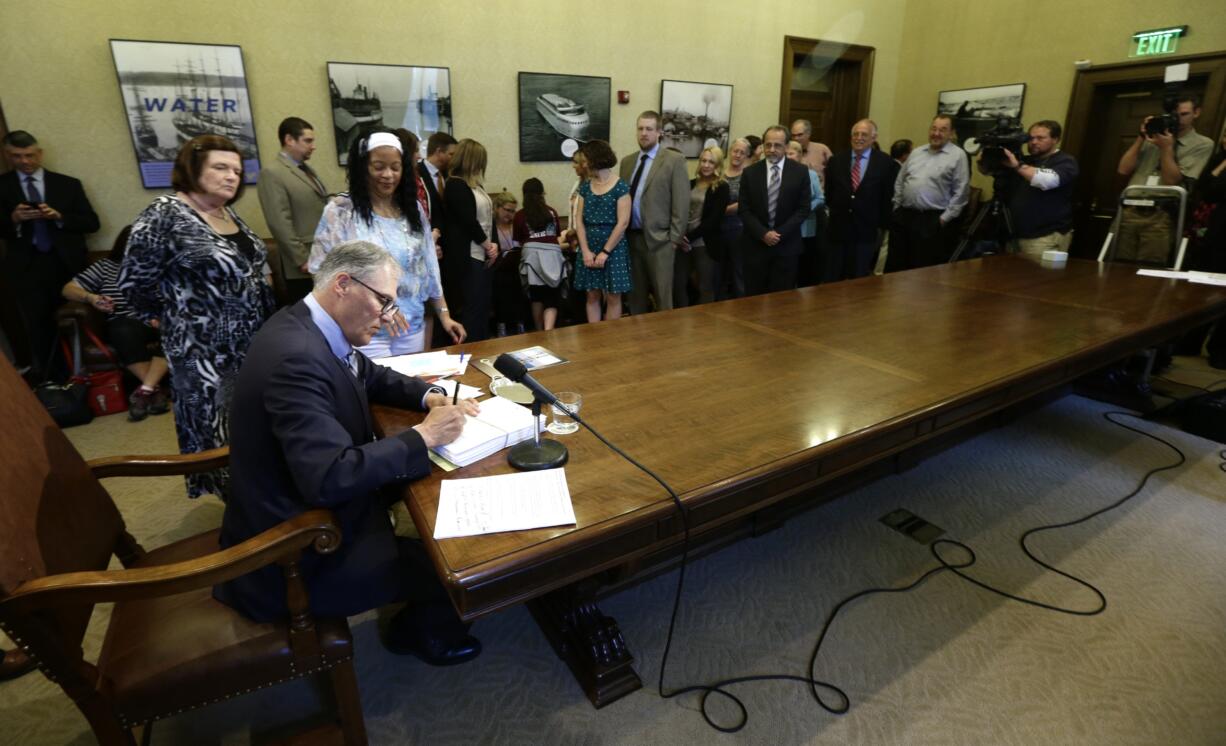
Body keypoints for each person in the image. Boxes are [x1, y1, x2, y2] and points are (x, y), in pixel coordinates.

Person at [215, 239, 482, 666]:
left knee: (431, 497)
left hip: (294, 500)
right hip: (294, 547)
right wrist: (424, 438)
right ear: (343, 283)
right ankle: (420, 635)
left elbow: (369, 374)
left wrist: (429, 395)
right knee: (450, 565)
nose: (388, 316)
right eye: (384, 301)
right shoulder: (296, 359)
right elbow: (329, 477)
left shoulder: (304, 323)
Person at [119, 135, 276, 500]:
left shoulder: (226, 212)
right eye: (220, 167)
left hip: (251, 344)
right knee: (217, 429)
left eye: (236, 170)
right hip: (203, 352)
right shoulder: (164, 214)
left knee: (254, 423)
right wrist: (173, 317)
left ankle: (260, 497)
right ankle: (240, 511)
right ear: (192, 168)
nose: (231, 176)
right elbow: (132, 283)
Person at [309, 130, 463, 357]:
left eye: (395, 167)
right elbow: (320, 272)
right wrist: (379, 306)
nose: (388, 174)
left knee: (409, 388)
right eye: (378, 166)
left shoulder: (413, 210)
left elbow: (429, 267)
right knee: (370, 391)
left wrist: (444, 315)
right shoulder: (341, 209)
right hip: (362, 330)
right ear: (363, 168)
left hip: (411, 326)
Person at [0, 130, 99, 380]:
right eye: (17, 156)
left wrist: (59, 217)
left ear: (39, 153)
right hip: (26, 267)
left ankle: (87, 378)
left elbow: (91, 222)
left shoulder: (67, 184)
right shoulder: (2, 187)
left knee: (77, 319)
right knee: (37, 326)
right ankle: (54, 381)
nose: (25, 161)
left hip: (66, 263)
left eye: (29, 155)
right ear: (7, 156)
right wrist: (14, 220)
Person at [61, 226, 170, 420]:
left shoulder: (161, 267)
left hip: (160, 319)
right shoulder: (106, 266)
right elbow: (68, 289)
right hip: (126, 320)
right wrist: (91, 298)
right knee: (123, 329)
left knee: (177, 331)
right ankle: (153, 389)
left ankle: (145, 390)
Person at [1115, 95, 1214, 265]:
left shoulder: (1202, 144)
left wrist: (1166, 148)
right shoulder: (1153, 136)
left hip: (1162, 213)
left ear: (1196, 113)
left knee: (1150, 269)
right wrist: (1141, 136)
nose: (1177, 119)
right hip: (1131, 207)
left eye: (1183, 114)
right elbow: (1123, 169)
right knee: (1117, 266)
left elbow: (1171, 181)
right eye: (1174, 114)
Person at [618, 111, 689, 314]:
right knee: (635, 298)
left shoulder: (674, 160)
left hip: (661, 241)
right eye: (640, 129)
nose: (644, 133)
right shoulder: (627, 162)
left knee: (663, 298)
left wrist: (674, 239)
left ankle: (667, 342)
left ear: (659, 132)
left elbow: (681, 203)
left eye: (649, 129)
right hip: (631, 239)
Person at [979, 120, 1079, 257]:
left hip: (1043, 237)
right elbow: (987, 171)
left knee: (1039, 278)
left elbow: (1049, 180)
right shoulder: (1023, 160)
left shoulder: (1065, 161)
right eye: (1031, 138)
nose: (1034, 142)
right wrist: (985, 158)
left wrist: (1018, 166)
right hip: (1012, 235)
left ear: (1055, 139)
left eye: (1040, 138)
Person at [256, 116, 329, 303]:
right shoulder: (272, 173)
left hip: (322, 257)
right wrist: (302, 259)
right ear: (289, 140)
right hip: (302, 265)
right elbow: (279, 221)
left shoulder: (306, 170)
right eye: (308, 141)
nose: (313, 146)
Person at [887, 115, 970, 271]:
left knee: (922, 271)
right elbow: (900, 180)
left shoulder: (958, 156)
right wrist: (896, 207)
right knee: (896, 267)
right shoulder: (917, 152)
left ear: (951, 133)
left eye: (943, 130)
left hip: (931, 220)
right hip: (904, 216)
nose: (936, 133)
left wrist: (944, 219)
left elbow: (962, 192)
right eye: (934, 128)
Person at [738, 126, 812, 295]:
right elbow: (744, 209)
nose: (771, 150)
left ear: (786, 146)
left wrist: (778, 233)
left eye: (777, 145)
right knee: (753, 299)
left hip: (787, 247)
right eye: (768, 145)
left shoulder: (800, 172)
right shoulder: (750, 173)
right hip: (756, 246)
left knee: (782, 301)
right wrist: (763, 233)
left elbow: (803, 208)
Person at [442, 139, 498, 342]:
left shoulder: (475, 186)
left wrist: (494, 245)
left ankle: (481, 344)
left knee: (483, 304)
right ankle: (471, 348)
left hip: (483, 251)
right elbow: (468, 221)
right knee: (473, 306)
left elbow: (488, 219)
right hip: (469, 254)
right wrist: (488, 245)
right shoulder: (455, 185)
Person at [825, 119, 896, 280]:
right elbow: (829, 194)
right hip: (838, 230)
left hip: (866, 230)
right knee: (834, 275)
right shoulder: (836, 160)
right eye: (855, 134)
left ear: (873, 138)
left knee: (858, 277)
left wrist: (881, 225)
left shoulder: (885, 163)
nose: (859, 138)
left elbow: (887, 197)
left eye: (864, 134)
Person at [575, 139, 632, 322]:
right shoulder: (585, 187)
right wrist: (585, 251)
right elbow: (579, 220)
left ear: (595, 160)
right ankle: (595, 337)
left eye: (585, 160)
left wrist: (605, 252)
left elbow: (622, 223)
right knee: (592, 295)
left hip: (613, 247)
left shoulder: (621, 186)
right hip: (589, 245)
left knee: (614, 296)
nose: (583, 164)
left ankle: (611, 338)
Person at [677, 146, 731, 306]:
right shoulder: (690, 183)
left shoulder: (721, 187)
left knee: (705, 286)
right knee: (678, 284)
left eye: (711, 162)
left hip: (704, 243)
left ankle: (705, 324)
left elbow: (713, 220)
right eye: (704, 161)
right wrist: (681, 237)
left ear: (718, 165)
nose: (706, 165)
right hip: (682, 242)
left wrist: (688, 238)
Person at [515, 178, 566, 331]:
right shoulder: (551, 212)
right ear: (542, 193)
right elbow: (556, 236)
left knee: (536, 296)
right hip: (553, 257)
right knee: (552, 296)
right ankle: (548, 330)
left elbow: (518, 242)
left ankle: (538, 330)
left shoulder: (520, 215)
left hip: (531, 258)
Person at [785, 140, 826, 283]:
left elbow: (820, 198)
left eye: (791, 153)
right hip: (785, 228)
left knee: (805, 265)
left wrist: (803, 209)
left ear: (800, 156)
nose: (788, 156)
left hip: (806, 227)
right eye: (785, 154)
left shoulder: (811, 174)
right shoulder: (779, 174)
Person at [490, 190, 529, 336]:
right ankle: (502, 324)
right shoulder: (492, 227)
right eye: (507, 210)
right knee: (503, 282)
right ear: (497, 208)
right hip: (497, 269)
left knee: (518, 281)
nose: (510, 215)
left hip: (517, 266)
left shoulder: (517, 225)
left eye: (513, 211)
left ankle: (520, 322)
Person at [718, 137, 750, 299]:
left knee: (738, 272)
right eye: (735, 151)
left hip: (738, 229)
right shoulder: (719, 173)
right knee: (719, 273)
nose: (737, 155)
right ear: (730, 152)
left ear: (746, 156)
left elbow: (745, 203)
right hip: (718, 230)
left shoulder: (748, 175)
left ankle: (742, 308)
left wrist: (720, 210)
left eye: (742, 153)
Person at [419, 131, 457, 240]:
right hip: (429, 238)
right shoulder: (417, 173)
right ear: (439, 152)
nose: (454, 159)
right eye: (451, 154)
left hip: (448, 241)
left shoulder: (449, 175)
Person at [790, 118, 834, 188]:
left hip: (819, 195)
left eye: (799, 135)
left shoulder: (822, 149)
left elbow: (835, 173)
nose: (796, 138)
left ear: (808, 134)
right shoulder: (786, 151)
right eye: (793, 135)